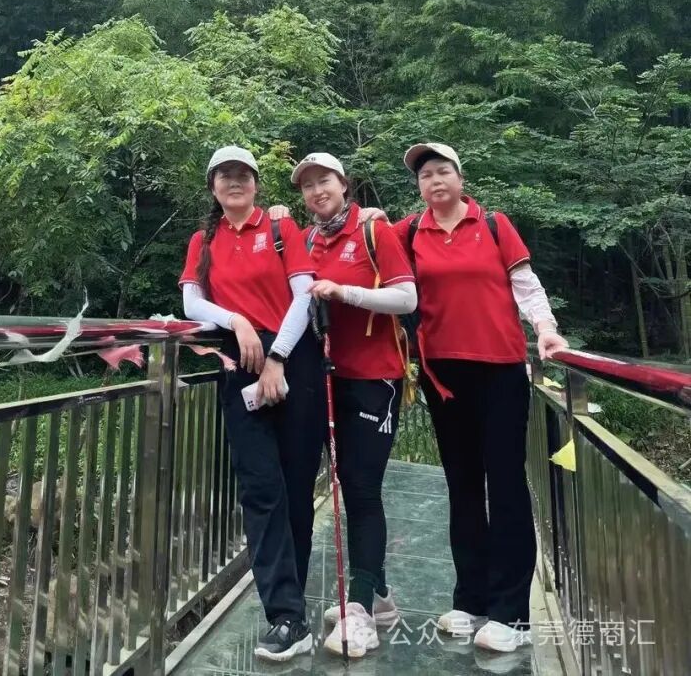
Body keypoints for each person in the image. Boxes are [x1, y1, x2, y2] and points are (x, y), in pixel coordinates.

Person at [392, 142, 569, 656]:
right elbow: (369, 250)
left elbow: (526, 286)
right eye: (425, 175)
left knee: (505, 483)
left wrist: (546, 329)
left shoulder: (493, 224)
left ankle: (512, 612)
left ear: (460, 177)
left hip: (500, 369)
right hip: (442, 374)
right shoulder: (409, 232)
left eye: (442, 171)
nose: (434, 180)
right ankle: (470, 599)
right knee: (463, 485)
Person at [266, 153, 417, 660]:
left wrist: (344, 291)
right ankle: (379, 592)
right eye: (307, 185)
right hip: (324, 379)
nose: (316, 191)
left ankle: (361, 609)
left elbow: (406, 299)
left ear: (344, 184)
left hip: (374, 378)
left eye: (324, 180)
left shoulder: (374, 231)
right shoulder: (307, 241)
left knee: (360, 487)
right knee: (341, 481)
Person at [180, 145, 325, 661]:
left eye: (243, 174)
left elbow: (303, 295)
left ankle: (294, 608)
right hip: (239, 362)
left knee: (296, 488)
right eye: (224, 175)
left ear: (256, 183)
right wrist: (236, 319)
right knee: (261, 489)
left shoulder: (282, 229)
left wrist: (277, 356)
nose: (234, 182)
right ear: (213, 186)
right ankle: (285, 615)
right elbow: (191, 303)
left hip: (293, 360)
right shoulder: (204, 240)